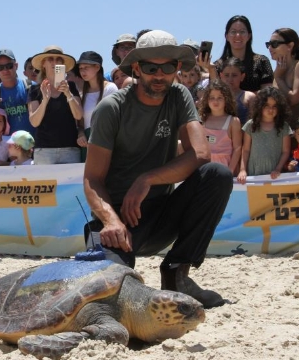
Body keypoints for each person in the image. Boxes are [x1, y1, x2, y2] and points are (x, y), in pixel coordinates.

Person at [84, 30, 233, 309]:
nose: (159, 75)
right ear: (137, 68)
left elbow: (201, 153)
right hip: (118, 220)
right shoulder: (111, 108)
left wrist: (147, 179)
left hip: (161, 210)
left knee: (217, 175)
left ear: (178, 68)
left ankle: (177, 272)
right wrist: (111, 220)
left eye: (167, 67)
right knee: (109, 296)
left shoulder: (179, 95)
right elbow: (92, 180)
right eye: (152, 67)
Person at [28, 46, 83, 165]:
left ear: (62, 64)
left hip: (70, 149)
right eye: (50, 59)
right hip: (44, 150)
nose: (54, 62)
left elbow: (78, 115)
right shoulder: (35, 89)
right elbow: (34, 122)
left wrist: (68, 94)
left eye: (58, 59)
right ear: (43, 63)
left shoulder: (71, 87)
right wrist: (45, 100)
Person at [237, 86, 292, 184]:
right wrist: (242, 170)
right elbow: (245, 150)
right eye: (267, 105)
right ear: (260, 106)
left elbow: (285, 151)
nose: (271, 109)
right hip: (254, 174)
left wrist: (278, 169)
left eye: (274, 106)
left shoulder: (284, 126)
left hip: (275, 177)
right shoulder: (251, 125)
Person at [211, 15, 274, 92]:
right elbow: (215, 94)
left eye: (242, 32)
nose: (238, 35)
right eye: (233, 32)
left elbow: (267, 93)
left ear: (249, 36)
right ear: (226, 36)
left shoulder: (262, 62)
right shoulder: (218, 65)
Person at [0, 49, 33, 137]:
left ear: (16, 66)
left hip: (32, 145)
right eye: (0, 67)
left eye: (9, 66)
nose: (5, 70)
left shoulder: (30, 87)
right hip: (5, 147)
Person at [76, 51, 117, 161]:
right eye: (80, 68)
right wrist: (80, 134)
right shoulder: (81, 94)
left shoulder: (110, 88)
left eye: (86, 67)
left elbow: (113, 120)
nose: (82, 71)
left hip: (106, 142)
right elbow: (80, 123)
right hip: (87, 144)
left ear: (97, 67)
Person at [197, 79, 243, 175]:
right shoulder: (202, 120)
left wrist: (229, 170)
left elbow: (237, 148)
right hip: (206, 167)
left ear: (226, 99)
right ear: (206, 100)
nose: (215, 101)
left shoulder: (233, 121)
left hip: (226, 167)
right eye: (212, 98)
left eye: (220, 98)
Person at [267, 28, 299, 121]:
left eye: (274, 44)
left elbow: (294, 99)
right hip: (281, 129)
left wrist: (278, 78)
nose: (270, 48)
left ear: (290, 46)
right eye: (268, 44)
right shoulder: (278, 71)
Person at [218, 57, 256, 124]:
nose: (230, 79)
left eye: (234, 75)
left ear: (242, 76)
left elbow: (253, 124)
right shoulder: (215, 97)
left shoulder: (249, 97)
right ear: (221, 76)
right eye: (226, 75)